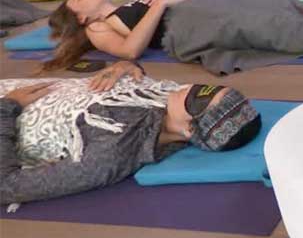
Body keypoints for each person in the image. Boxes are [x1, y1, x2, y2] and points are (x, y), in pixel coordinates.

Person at [1, 60, 261, 205]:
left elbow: (6, 187)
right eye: (206, 87)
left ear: (189, 130)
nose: (189, 86)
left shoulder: (112, 152)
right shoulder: (165, 96)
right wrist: (125, 66)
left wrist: (7, 107)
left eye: (197, 98)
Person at [44, 0, 196, 71]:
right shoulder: (96, 28)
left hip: (201, 7)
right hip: (193, 23)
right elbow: (129, 51)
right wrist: (160, 3)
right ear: (81, 18)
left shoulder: (124, 9)